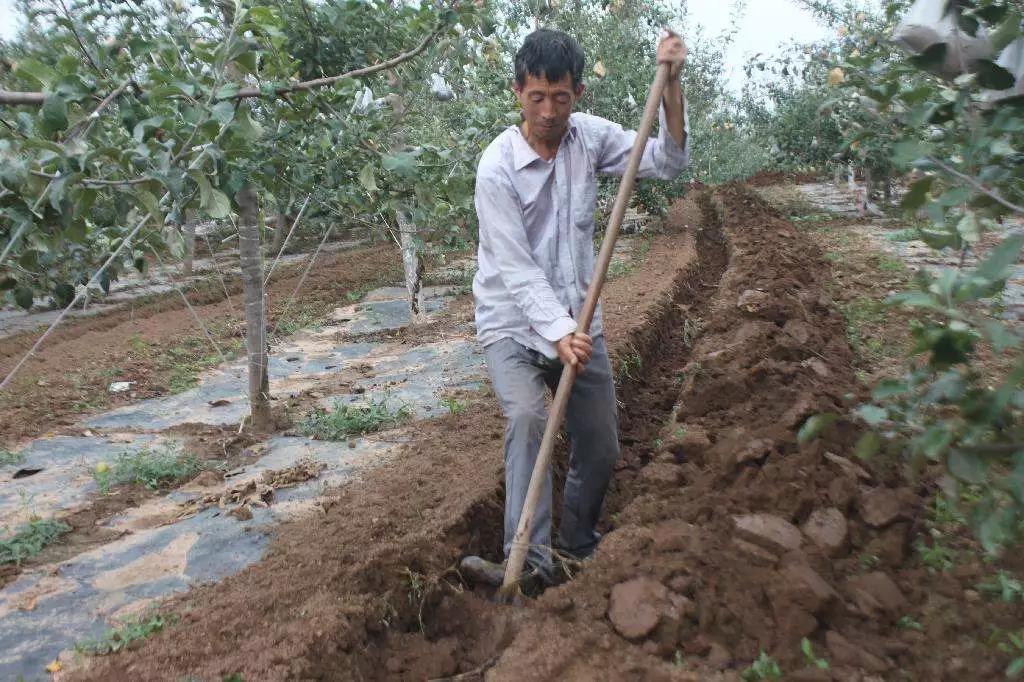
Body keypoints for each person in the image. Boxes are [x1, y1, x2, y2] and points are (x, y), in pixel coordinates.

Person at [460, 27, 691, 588]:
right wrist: (559, 330)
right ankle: (528, 560)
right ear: (517, 92)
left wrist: (674, 88)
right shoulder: (495, 169)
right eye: (536, 97)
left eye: (560, 98)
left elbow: (667, 161)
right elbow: (515, 270)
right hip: (514, 325)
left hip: (582, 323)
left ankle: (578, 543)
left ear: (578, 94)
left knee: (600, 441)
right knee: (528, 419)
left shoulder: (589, 139)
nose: (547, 111)